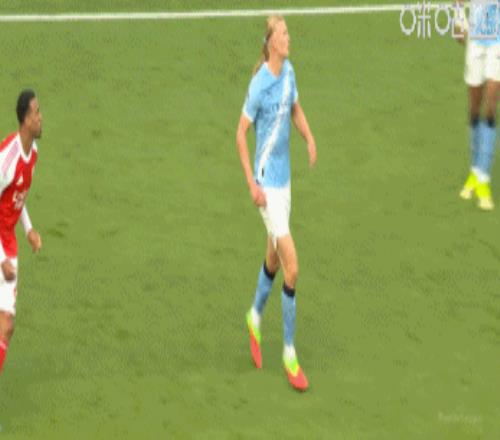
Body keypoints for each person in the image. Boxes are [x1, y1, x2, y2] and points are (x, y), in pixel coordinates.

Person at [236, 15, 317, 391]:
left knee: (272, 259)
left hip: (285, 184)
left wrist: (309, 138)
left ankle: (254, 316)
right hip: (266, 188)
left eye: (288, 33)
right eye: (283, 34)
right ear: (270, 43)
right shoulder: (259, 86)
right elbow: (240, 134)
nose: (288, 38)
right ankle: (289, 353)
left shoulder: (290, 73)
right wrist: (251, 183)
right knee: (292, 268)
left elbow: (295, 109)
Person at [0, 89, 43, 375]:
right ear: (26, 120)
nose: (41, 118)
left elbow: (19, 195)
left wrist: (28, 229)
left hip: (9, 243)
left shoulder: (33, 154)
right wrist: (1, 258)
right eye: (37, 112)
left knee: (6, 325)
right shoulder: (7, 159)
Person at [458, 0, 500, 210]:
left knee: (490, 107)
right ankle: (475, 170)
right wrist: (459, 21)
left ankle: (483, 178)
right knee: (474, 109)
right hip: (476, 40)